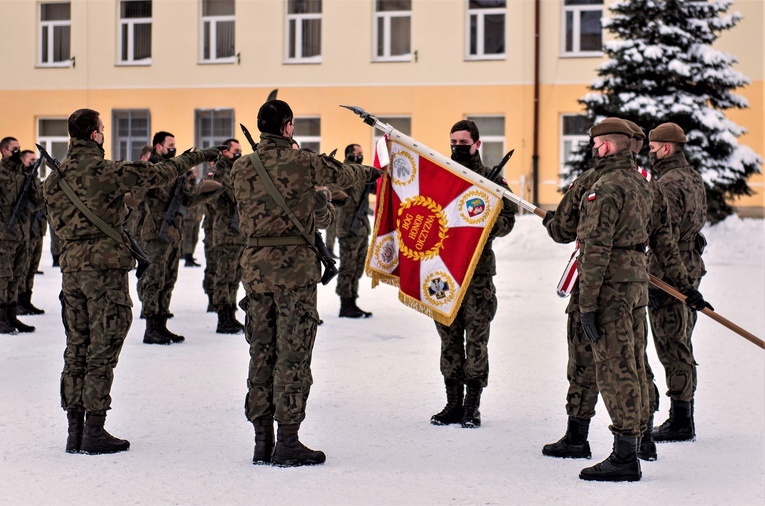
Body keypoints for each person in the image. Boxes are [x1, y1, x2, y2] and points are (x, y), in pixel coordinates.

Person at [43, 108, 220, 454]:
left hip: (72, 271)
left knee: (77, 346)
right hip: (104, 271)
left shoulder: (54, 180)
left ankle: (74, 429)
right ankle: (94, 430)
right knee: (102, 346)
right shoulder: (106, 171)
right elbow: (160, 172)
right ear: (95, 135)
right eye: (103, 130)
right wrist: (198, 156)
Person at [233, 99, 381, 467]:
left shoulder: (240, 167)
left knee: (260, 352)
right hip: (294, 274)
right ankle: (288, 441)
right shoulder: (303, 162)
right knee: (293, 354)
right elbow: (346, 174)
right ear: (287, 127)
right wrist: (373, 174)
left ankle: (260, 440)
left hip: (255, 271)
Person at [430, 120, 517, 429]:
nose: (457, 147)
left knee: (477, 339)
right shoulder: (442, 175)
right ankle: (452, 402)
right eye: (453, 141)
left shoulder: (491, 181)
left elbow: (509, 218)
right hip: (444, 271)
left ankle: (471, 405)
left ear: (477, 144)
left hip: (477, 273)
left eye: (463, 142)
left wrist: (482, 226)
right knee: (448, 338)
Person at [646, 123, 707, 443]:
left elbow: (662, 237)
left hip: (670, 275)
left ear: (667, 148)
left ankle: (681, 420)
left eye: (653, 147)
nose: (650, 152)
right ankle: (683, 414)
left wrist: (654, 282)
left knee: (673, 346)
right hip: (691, 268)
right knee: (682, 340)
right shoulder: (692, 177)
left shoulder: (667, 184)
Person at [135, 131, 220, 345]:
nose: (173, 148)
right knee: (154, 280)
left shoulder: (175, 171)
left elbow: (187, 200)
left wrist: (207, 192)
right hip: (154, 234)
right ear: (157, 146)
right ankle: (151, 327)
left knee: (168, 279)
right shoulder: (150, 170)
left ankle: (162, 324)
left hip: (172, 233)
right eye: (169, 145)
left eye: (174, 145)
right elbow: (138, 196)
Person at [0, 137, 43, 333]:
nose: (17, 152)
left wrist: (32, 176)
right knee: (3, 276)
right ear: (4, 152)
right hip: (3, 237)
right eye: (13, 149)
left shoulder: (24, 175)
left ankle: (11, 316)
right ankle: (1, 317)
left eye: (19, 148)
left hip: (22, 235)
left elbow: (38, 201)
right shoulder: (1, 175)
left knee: (17, 276)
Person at [335, 143, 374, 318]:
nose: (360, 157)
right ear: (350, 154)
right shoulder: (344, 172)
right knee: (348, 267)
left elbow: (373, 187)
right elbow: (338, 191)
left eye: (361, 154)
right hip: (348, 228)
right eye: (358, 154)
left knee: (358, 267)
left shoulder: (360, 173)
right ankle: (345, 304)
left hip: (361, 227)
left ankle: (353, 300)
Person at [211, 138, 246, 333]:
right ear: (225, 152)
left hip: (238, 233)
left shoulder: (236, 171)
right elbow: (235, 194)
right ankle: (223, 317)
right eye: (236, 151)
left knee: (235, 276)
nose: (239, 154)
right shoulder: (221, 171)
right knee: (224, 276)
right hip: (225, 232)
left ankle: (231, 314)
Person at [16, 150, 46, 316]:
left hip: (36, 231)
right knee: (22, 269)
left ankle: (27, 301)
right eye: (31, 160)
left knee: (32, 268)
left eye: (36, 159)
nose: (35, 162)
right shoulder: (19, 180)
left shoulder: (34, 180)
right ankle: (18, 301)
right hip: (24, 231)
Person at [182, 166, 204, 267]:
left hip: (196, 216)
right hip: (188, 217)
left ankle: (190, 255)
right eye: (192, 173)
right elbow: (188, 192)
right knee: (188, 238)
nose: (194, 175)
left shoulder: (196, 184)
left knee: (194, 238)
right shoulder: (185, 184)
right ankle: (187, 256)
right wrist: (188, 178)